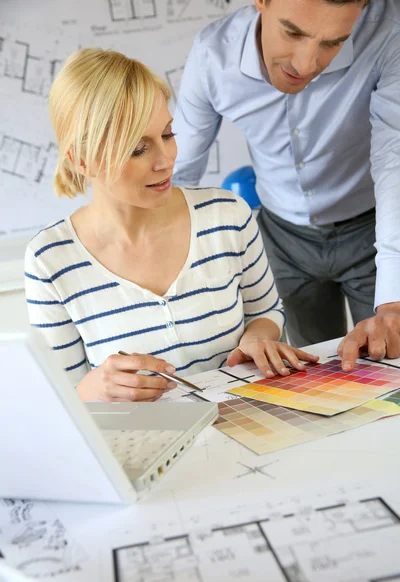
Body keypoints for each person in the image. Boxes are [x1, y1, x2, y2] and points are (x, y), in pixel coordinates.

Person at [24, 48, 318, 403]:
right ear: (82, 161)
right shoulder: (49, 259)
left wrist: (257, 338)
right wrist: (93, 388)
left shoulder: (227, 215)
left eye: (167, 134)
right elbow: (59, 398)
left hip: (249, 424)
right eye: (137, 148)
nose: (165, 161)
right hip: (147, 450)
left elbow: (267, 311)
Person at [172, 0, 400, 370]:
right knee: (317, 373)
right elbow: (177, 174)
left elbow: (396, 161)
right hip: (282, 241)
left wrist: (394, 302)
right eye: (292, 32)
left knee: (388, 367)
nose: (306, 65)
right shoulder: (213, 55)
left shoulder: (389, 30)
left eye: (334, 42)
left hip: (374, 231)